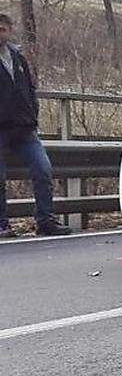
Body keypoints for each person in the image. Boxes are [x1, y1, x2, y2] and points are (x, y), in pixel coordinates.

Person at [0, 13, 71, 237]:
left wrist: (34, 114)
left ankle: (45, 221)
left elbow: (29, 90)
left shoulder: (17, 57)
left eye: (3, 28)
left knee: (43, 170)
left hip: (24, 127)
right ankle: (2, 224)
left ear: (9, 30)